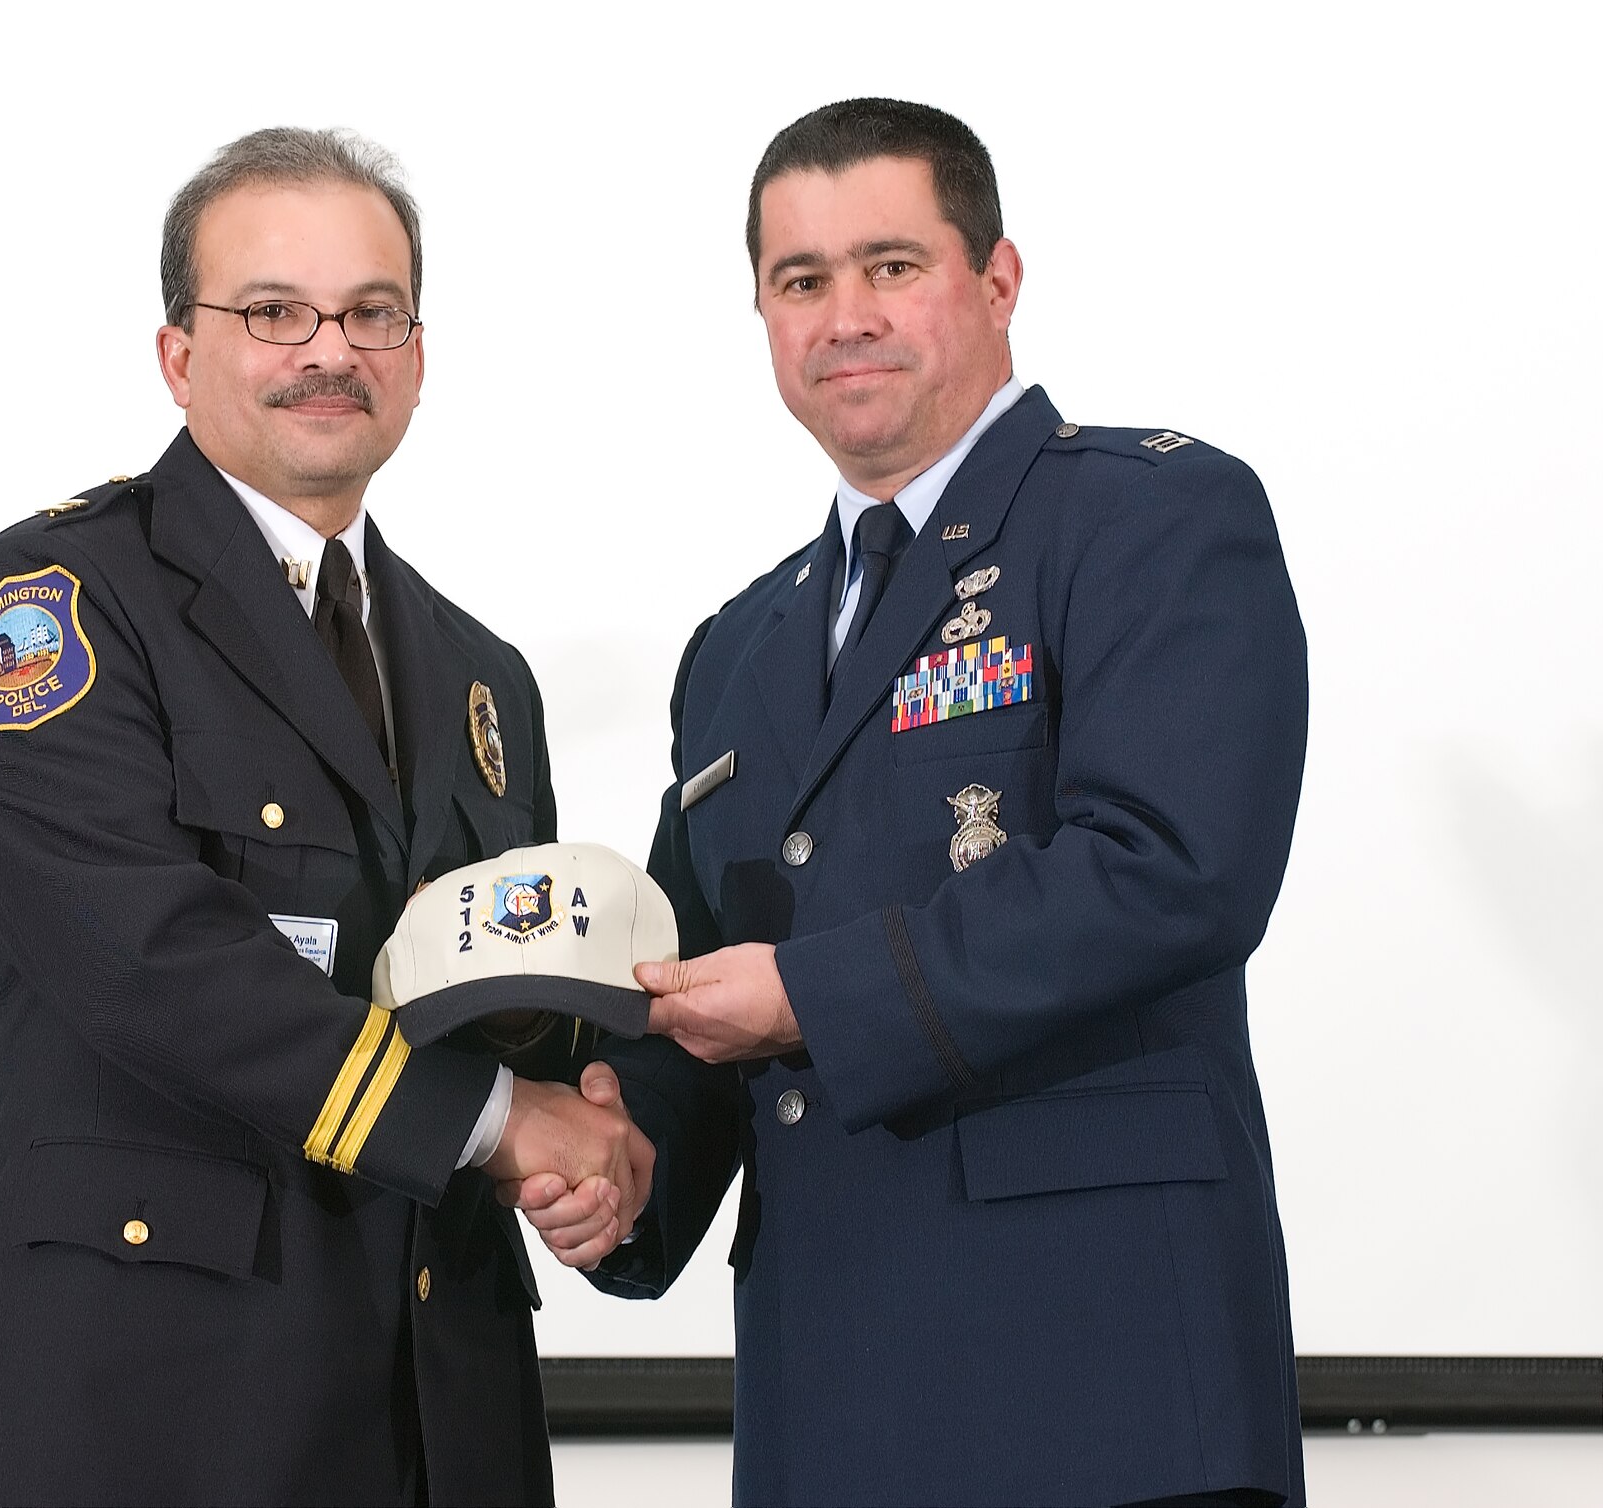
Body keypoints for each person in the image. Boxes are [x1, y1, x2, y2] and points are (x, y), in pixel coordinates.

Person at [512, 99, 1308, 1507]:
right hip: (829, 1408)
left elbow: (1171, 868)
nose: (846, 316)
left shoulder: (1150, 519)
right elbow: (693, 981)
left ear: (997, 281)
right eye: (800, 281)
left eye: (892, 265)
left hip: (1103, 1395)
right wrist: (621, 1161)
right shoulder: (741, 647)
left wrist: (810, 996)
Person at [0, 127, 649, 1508]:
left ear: (419, 356)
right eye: (274, 312)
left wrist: (601, 1124)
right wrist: (501, 1122)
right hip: (158, 1406)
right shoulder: (57, 604)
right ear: (178, 354)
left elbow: (508, 995)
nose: (332, 349)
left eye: (373, 312)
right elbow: (152, 961)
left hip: (439, 1409)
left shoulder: (485, 675)